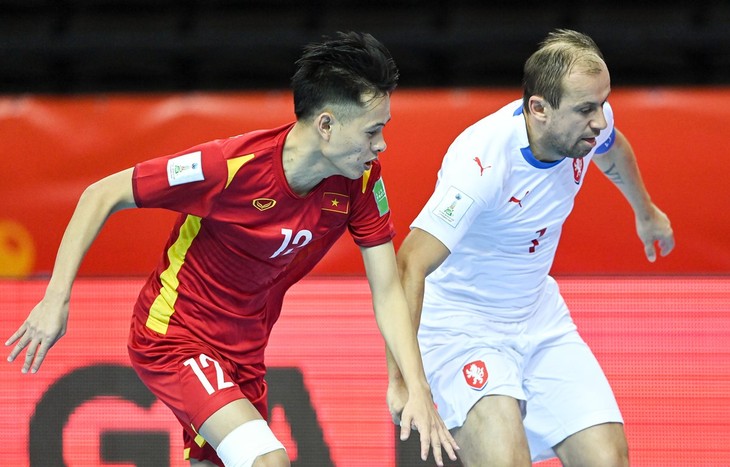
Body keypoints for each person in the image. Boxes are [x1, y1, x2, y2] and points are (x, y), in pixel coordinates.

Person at [5, 31, 459, 467]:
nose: (380, 145)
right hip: (175, 337)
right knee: (267, 459)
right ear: (326, 124)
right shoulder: (228, 167)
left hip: (244, 356)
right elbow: (101, 194)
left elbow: (387, 291)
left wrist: (413, 384)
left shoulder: (361, 181)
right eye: (371, 131)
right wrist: (56, 299)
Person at [386, 29, 675, 466]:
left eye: (603, 103)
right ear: (538, 109)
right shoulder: (482, 164)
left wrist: (646, 211)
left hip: (540, 319)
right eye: (586, 110)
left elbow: (612, 150)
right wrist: (405, 380)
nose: (599, 120)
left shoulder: (585, 124)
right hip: (465, 330)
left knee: (608, 460)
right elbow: (408, 265)